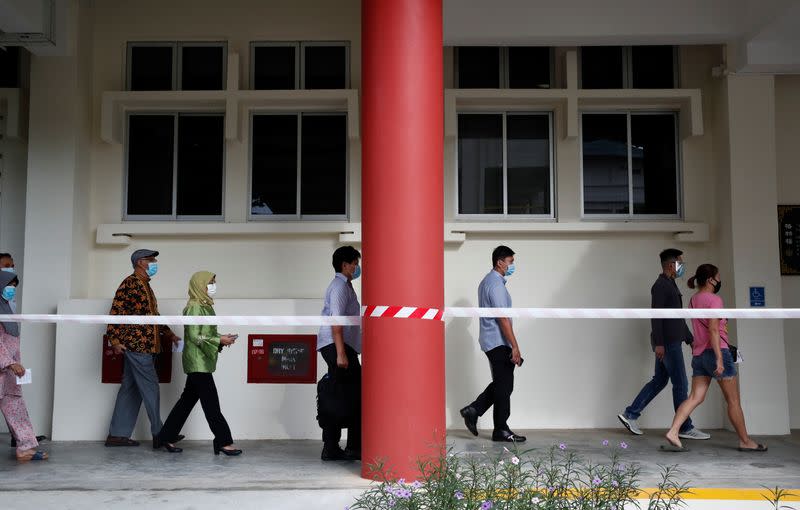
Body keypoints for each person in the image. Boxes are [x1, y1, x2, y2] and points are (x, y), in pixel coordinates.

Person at [664, 264, 767, 452]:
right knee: (733, 401)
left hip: (699, 355)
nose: (720, 280)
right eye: (718, 276)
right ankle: (745, 441)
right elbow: (712, 329)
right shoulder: (714, 300)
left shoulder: (694, 300)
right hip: (716, 352)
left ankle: (673, 430)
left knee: (695, 397)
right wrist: (720, 358)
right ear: (711, 279)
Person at [617, 249, 710, 441]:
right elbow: (656, 316)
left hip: (671, 341)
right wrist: (660, 344)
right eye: (680, 263)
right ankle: (684, 426)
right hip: (667, 344)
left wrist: (690, 338)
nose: (683, 267)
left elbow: (676, 317)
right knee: (681, 384)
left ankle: (630, 414)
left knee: (660, 380)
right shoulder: (660, 286)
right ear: (671, 265)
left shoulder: (670, 284)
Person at [157, 271, 241, 456]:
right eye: (210, 282)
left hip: (200, 361)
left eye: (214, 282)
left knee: (186, 401)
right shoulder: (195, 307)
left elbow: (204, 333)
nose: (213, 286)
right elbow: (195, 336)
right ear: (200, 285)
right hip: (197, 362)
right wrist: (219, 341)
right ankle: (223, 441)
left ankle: (165, 436)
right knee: (211, 404)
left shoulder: (205, 306)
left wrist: (221, 337)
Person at [105, 249, 181, 448]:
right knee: (150, 387)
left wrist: (169, 334)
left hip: (148, 345)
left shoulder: (146, 286)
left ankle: (117, 435)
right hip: (137, 346)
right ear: (140, 262)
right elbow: (116, 311)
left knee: (130, 389)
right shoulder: (129, 283)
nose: (155, 263)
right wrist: (113, 339)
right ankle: (160, 434)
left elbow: (153, 316)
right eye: (151, 260)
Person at [460, 245, 526, 443]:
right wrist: (514, 345)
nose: (512, 265)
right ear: (500, 262)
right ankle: (500, 429)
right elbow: (502, 318)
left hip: (493, 340)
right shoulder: (495, 284)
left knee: (502, 384)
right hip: (498, 341)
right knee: (504, 386)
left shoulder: (487, 282)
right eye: (510, 261)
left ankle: (475, 411)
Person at [317, 246, 362, 461]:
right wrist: (341, 353)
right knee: (347, 395)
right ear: (345, 265)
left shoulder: (346, 286)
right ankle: (337, 447)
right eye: (354, 262)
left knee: (347, 394)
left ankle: (341, 446)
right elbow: (336, 320)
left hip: (341, 345)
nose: (357, 266)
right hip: (336, 346)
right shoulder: (339, 287)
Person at [0, 252, 46, 448]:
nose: (11, 289)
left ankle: (25, 444)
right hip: (7, 365)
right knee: (13, 404)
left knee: (14, 404)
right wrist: (10, 362)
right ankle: (25, 444)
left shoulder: (7, 306)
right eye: (8, 285)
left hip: (8, 367)